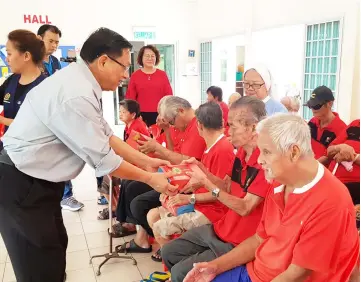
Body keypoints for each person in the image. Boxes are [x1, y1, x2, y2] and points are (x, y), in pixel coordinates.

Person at [0, 27, 177, 282]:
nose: (125, 75)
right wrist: (152, 178)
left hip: (36, 181)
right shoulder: (76, 93)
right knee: (38, 266)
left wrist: (148, 161)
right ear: (103, 60)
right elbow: (105, 160)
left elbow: (107, 135)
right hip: (21, 183)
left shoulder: (80, 81)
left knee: (54, 249)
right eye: (124, 67)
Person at [184, 113, 359, 282]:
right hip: (255, 271)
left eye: (266, 152)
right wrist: (215, 267)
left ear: (294, 152)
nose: (259, 160)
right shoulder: (278, 182)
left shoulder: (331, 202)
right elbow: (260, 238)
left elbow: (297, 274)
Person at [162, 96, 272, 282]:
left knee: (180, 272)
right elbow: (227, 185)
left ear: (253, 128)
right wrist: (201, 169)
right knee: (168, 251)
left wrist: (207, 184)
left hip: (238, 241)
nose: (227, 131)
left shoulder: (265, 162)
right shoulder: (242, 153)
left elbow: (245, 207)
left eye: (233, 126)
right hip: (222, 228)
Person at [114, 96, 207, 253]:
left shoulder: (196, 128)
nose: (169, 124)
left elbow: (186, 162)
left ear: (181, 111)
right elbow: (174, 154)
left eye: (170, 121)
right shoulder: (179, 126)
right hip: (174, 175)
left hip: (185, 184)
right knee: (130, 184)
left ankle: (157, 241)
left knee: (138, 201)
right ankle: (137, 231)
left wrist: (158, 149)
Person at [147, 102, 235, 262]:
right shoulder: (212, 147)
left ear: (199, 126)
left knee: (159, 227)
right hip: (201, 205)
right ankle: (173, 264)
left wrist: (189, 198)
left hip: (212, 211)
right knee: (153, 215)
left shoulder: (222, 149)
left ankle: (175, 263)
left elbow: (220, 193)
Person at [38, 24, 84, 211]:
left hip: (57, 117)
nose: (54, 45)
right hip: (39, 118)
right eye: (50, 41)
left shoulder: (55, 62)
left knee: (62, 155)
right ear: (39, 39)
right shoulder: (31, 61)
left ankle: (66, 195)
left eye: (57, 42)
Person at [0, 30, 46, 149]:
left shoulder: (45, 87)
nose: (7, 59)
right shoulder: (12, 80)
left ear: (26, 56)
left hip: (30, 155)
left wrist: (2, 120)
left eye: (9, 54)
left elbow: (34, 126)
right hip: (8, 148)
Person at [125, 45, 173, 126]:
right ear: (141, 58)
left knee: (159, 138)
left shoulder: (162, 74)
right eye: (147, 56)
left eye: (152, 56)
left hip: (160, 115)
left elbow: (168, 96)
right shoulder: (135, 75)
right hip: (140, 116)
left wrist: (164, 114)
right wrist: (133, 115)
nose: (150, 58)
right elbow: (130, 97)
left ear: (156, 58)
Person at [306, 85, 347, 160]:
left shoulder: (341, 129)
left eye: (316, 106)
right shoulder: (312, 122)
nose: (312, 109)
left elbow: (329, 158)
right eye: (311, 105)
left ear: (330, 104)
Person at [327, 119, 360, 207]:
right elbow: (329, 151)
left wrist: (353, 156)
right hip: (332, 180)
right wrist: (339, 147)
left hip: (355, 186)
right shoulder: (355, 124)